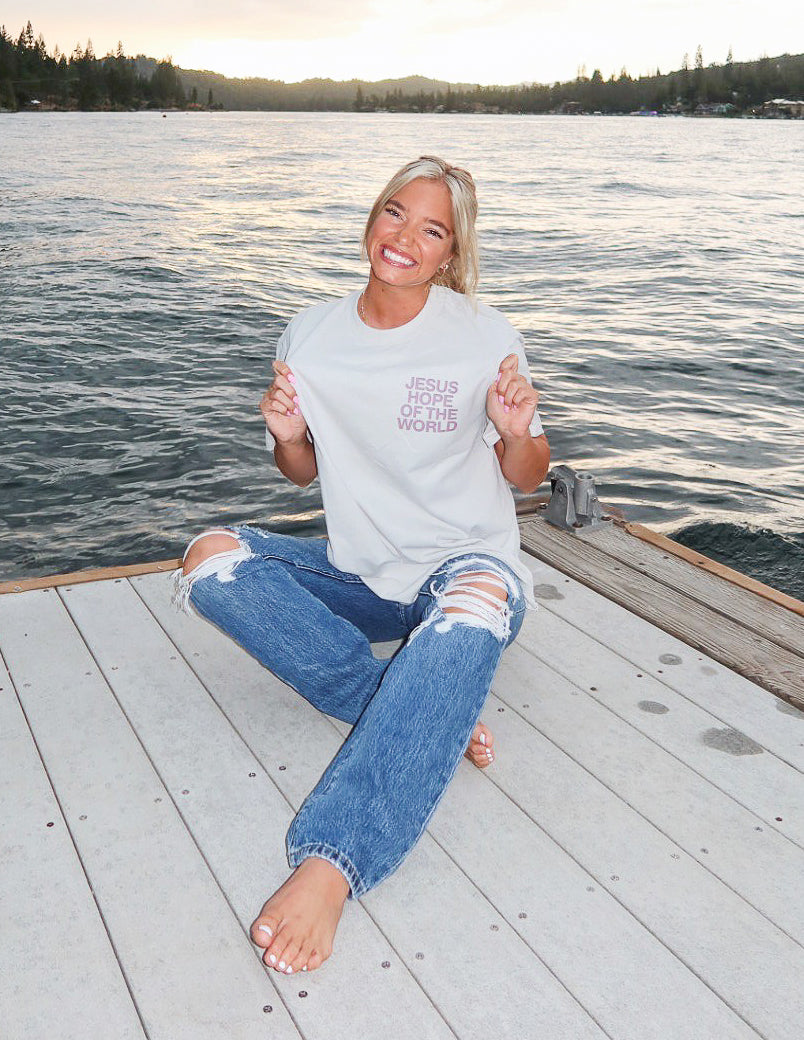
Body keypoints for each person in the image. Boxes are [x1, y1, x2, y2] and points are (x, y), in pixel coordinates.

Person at [175, 156, 550, 976]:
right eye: (392, 213)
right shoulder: (309, 331)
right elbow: (301, 472)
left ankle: (334, 861)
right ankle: (425, 714)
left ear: (451, 252)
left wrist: (519, 431)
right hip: (364, 578)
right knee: (211, 561)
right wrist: (285, 434)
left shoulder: (484, 336)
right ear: (370, 219)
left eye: (431, 229)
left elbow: (527, 476)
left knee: (478, 602)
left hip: (465, 570)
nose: (403, 238)